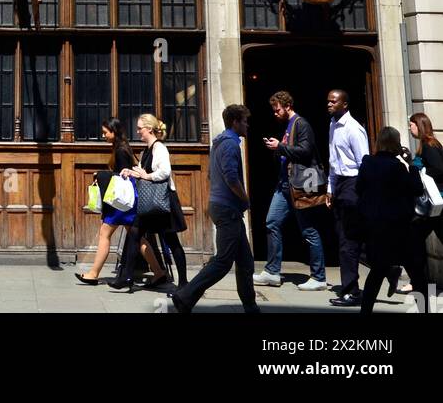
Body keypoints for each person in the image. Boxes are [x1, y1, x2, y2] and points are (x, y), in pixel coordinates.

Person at [167, 105, 259, 315]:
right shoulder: (230, 145)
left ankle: (251, 306)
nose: (247, 124)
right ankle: (184, 297)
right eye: (244, 120)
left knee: (245, 262)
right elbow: (231, 177)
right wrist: (245, 198)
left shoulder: (219, 143)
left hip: (223, 206)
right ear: (235, 122)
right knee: (223, 262)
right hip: (228, 209)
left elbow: (210, 175)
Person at [254, 90, 327, 291]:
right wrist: (276, 149)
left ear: (287, 106)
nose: (275, 113)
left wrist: (280, 147)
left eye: (277, 109)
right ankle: (272, 272)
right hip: (285, 184)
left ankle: (319, 277)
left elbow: (306, 151)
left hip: (300, 185)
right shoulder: (288, 126)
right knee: (272, 222)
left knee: (309, 230)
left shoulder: (301, 124)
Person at [356, 126, 427, 315]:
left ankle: (365, 311)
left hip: (375, 227)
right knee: (416, 273)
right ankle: (424, 310)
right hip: (399, 228)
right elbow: (416, 189)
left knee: (377, 272)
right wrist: (411, 165)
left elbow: (358, 189)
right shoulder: (396, 167)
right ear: (396, 143)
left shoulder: (367, 163)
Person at [114, 114, 187, 292]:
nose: (138, 131)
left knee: (172, 240)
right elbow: (145, 172)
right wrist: (131, 172)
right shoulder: (146, 149)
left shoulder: (159, 148)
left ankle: (184, 282)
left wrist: (146, 175)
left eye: (140, 128)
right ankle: (127, 277)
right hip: (150, 202)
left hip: (162, 202)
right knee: (135, 235)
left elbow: (164, 172)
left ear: (149, 128)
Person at [76, 117, 138, 285]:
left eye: (105, 132)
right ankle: (159, 272)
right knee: (137, 236)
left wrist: (100, 174)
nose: (103, 135)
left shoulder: (120, 151)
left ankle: (93, 273)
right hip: (125, 199)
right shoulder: (123, 148)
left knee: (105, 233)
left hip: (120, 200)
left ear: (114, 132)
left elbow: (121, 176)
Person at [326, 89, 369, 308]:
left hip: (353, 184)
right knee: (344, 237)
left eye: (333, 101)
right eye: (328, 101)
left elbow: (363, 164)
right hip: (340, 184)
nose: (329, 104)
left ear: (345, 104)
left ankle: (351, 291)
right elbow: (334, 160)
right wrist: (330, 188)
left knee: (347, 241)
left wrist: (361, 194)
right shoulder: (333, 125)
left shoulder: (354, 129)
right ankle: (387, 267)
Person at [410, 111, 443, 256]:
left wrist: (421, 172)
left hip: (436, 201)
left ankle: (418, 278)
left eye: (411, 125)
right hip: (435, 204)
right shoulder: (427, 144)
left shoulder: (429, 145)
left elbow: (439, 168)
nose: (410, 128)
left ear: (419, 125)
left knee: (414, 238)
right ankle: (418, 278)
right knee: (415, 238)